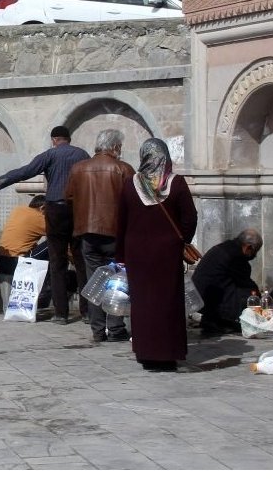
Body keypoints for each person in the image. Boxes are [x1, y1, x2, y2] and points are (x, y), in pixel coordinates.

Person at [0, 125, 90, 325]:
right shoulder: (83, 155)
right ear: (68, 139)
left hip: (54, 208)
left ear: (54, 140)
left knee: (57, 260)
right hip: (78, 209)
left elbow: (25, 171)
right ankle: (88, 313)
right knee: (80, 260)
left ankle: (61, 314)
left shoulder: (50, 155)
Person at [116, 138, 197, 372]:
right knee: (168, 301)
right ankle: (167, 353)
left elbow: (121, 222)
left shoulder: (131, 185)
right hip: (167, 253)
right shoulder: (176, 183)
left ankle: (146, 352)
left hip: (137, 253)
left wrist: (120, 254)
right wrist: (182, 241)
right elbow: (190, 218)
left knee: (142, 303)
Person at [64, 129, 135, 343]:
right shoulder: (123, 169)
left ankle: (97, 330)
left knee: (95, 280)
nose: (120, 151)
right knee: (116, 281)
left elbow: (68, 197)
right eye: (119, 147)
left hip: (87, 232)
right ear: (114, 147)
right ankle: (115, 328)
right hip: (115, 233)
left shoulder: (78, 169)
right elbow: (134, 200)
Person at [191, 229, 263, 338]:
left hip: (199, 294)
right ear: (248, 247)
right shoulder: (236, 256)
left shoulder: (226, 247)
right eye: (255, 251)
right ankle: (226, 321)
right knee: (249, 294)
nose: (254, 255)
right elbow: (246, 284)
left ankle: (213, 320)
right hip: (207, 297)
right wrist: (261, 301)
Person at [0, 195, 48, 312]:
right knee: (54, 241)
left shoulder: (18, 210)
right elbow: (60, 233)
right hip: (17, 262)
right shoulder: (39, 218)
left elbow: (24, 237)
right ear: (42, 208)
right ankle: (46, 293)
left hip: (2, 260)